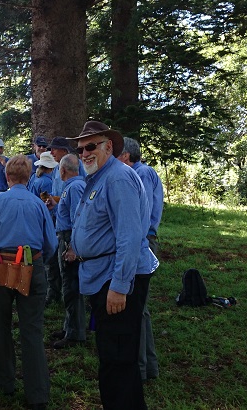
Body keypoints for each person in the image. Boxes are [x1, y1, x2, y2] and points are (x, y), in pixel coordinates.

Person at [69, 121, 155, 410]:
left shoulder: (117, 178)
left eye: (90, 146)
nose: (84, 153)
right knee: (115, 358)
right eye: (80, 148)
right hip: (101, 277)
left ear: (109, 146)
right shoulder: (100, 177)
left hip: (114, 280)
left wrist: (119, 286)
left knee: (117, 360)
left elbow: (130, 236)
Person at [0, 155, 57, 410]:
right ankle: (38, 394)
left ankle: (3, 382)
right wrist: (40, 264)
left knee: (0, 324)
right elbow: (50, 244)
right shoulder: (38, 204)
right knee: (32, 330)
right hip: (33, 266)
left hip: (2, 268)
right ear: (29, 177)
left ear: (7, 177)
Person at [119, 136, 163, 381]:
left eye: (116, 153)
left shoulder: (141, 173)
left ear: (126, 156)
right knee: (139, 306)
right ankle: (147, 367)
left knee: (139, 306)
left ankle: (143, 368)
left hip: (142, 242)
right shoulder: (140, 172)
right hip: (141, 240)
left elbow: (139, 214)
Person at [47, 153, 87, 349]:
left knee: (71, 285)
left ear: (62, 170)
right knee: (68, 284)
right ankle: (69, 326)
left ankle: (75, 333)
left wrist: (72, 246)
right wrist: (56, 205)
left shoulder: (75, 187)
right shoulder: (72, 187)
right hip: (65, 237)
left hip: (68, 240)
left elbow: (77, 219)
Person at [42, 136, 74, 307]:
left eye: (54, 149)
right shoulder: (55, 170)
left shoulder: (76, 168)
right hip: (55, 221)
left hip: (68, 225)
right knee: (53, 260)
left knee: (67, 265)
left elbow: (74, 197)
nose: (51, 152)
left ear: (64, 150)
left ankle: (70, 300)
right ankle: (53, 292)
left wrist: (56, 200)